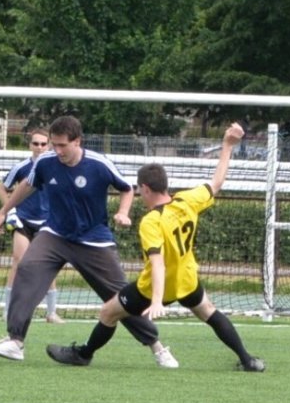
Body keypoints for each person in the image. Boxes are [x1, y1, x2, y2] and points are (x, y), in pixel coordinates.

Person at [46, 123, 265, 371]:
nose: (138, 193)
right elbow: (216, 183)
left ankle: (83, 354)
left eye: (139, 190)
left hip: (153, 288)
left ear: (146, 189)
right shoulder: (187, 200)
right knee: (209, 312)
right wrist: (227, 146)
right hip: (187, 278)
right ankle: (247, 360)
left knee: (108, 312)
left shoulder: (151, 221)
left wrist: (158, 300)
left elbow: (157, 263)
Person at [0, 115, 174, 366]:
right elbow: (27, 186)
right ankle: (15, 341)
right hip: (54, 234)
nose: (57, 150)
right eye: (54, 144)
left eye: (63, 145)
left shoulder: (98, 163)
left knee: (119, 296)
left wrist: (122, 212)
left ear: (77, 142)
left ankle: (157, 347)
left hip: (93, 240)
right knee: (28, 268)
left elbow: (127, 188)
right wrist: (3, 212)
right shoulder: (46, 162)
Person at [0, 128, 63, 324]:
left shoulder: (55, 167)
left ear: (49, 145)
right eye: (36, 143)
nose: (40, 147)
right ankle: (8, 309)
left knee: (50, 265)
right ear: (30, 145)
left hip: (47, 224)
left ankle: (51, 313)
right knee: (19, 262)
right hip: (23, 221)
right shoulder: (22, 167)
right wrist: (9, 210)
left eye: (43, 144)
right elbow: (2, 186)